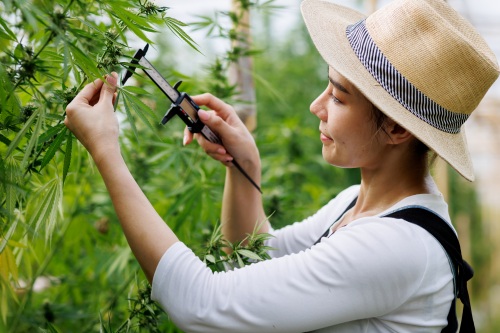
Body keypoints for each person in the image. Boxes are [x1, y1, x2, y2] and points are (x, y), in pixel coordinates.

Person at [64, 0, 499, 332]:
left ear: (398, 130)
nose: (317, 107)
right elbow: (252, 257)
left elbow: (202, 304)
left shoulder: (398, 247)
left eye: (338, 96)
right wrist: (243, 165)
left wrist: (107, 151)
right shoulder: (359, 203)